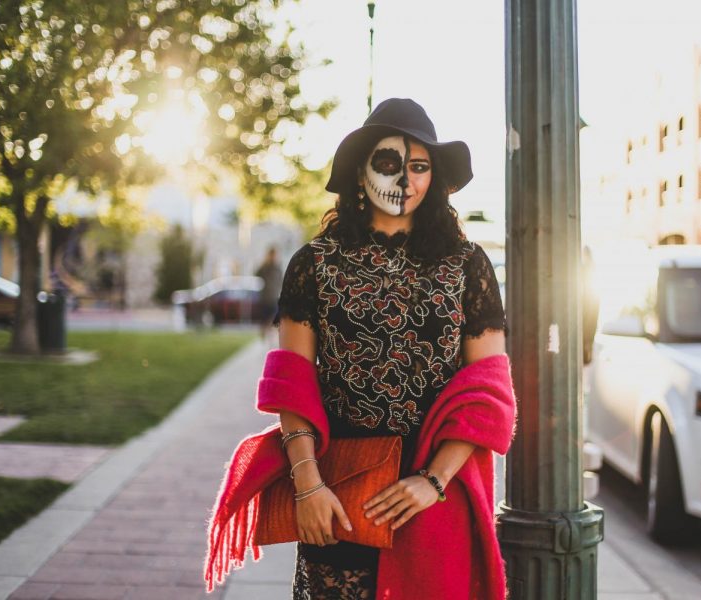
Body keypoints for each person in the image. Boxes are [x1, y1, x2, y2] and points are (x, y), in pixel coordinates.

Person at [204, 98, 516, 599]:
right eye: (390, 163)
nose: (404, 180)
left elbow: (487, 392)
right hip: (337, 487)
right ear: (360, 171)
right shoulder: (313, 263)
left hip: (433, 495)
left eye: (419, 167)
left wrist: (433, 481)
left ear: (433, 178)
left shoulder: (467, 264)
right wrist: (308, 487)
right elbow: (293, 383)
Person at [254, 246, 283, 340]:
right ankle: (265, 333)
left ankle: (268, 332)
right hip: (265, 297)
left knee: (273, 318)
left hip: (274, 298)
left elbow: (281, 281)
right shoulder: (264, 267)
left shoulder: (278, 268)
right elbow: (256, 273)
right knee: (265, 318)